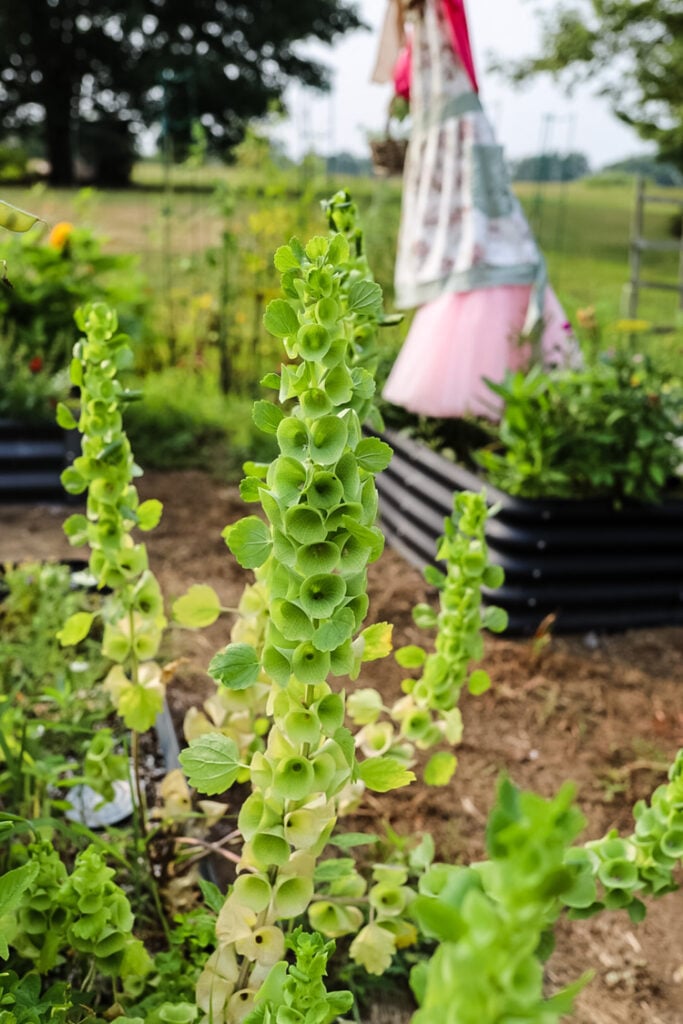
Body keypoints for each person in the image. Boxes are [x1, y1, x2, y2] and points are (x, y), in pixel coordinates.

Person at [373, 0, 577, 419]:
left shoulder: (419, 15)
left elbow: (406, 79)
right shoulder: (424, 15)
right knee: (484, 242)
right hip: (453, 132)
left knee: (483, 242)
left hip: (451, 134)